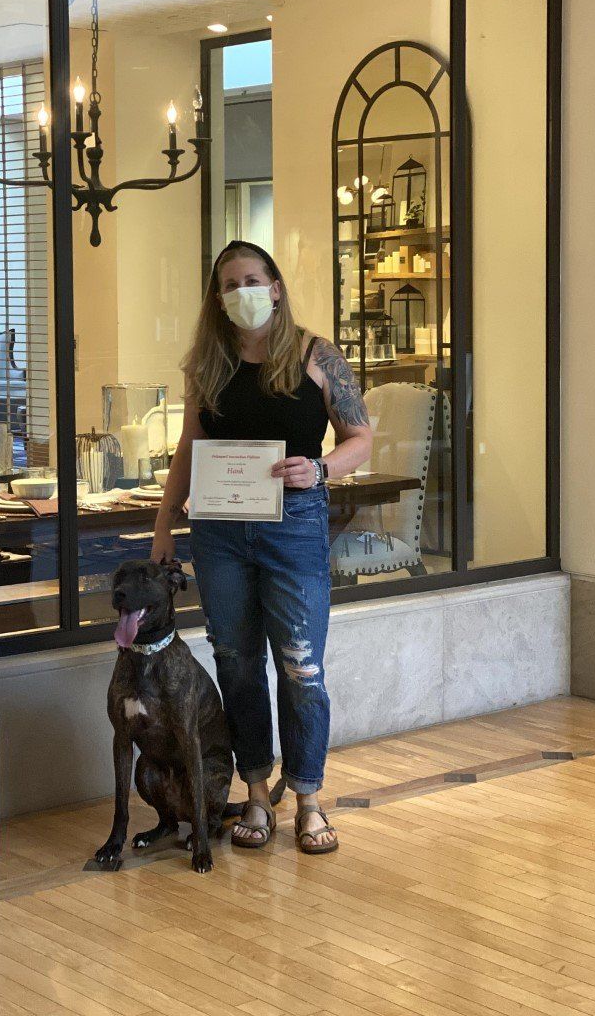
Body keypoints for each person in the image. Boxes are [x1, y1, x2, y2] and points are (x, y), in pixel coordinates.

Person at [152, 240, 372, 854]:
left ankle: (308, 798)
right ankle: (254, 792)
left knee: (301, 666)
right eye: (229, 284)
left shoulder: (316, 355)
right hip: (219, 532)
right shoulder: (208, 364)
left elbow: (361, 439)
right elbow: (188, 451)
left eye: (252, 279)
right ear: (217, 299)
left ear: (275, 286)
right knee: (237, 662)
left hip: (294, 524)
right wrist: (164, 525)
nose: (241, 291)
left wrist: (321, 469)